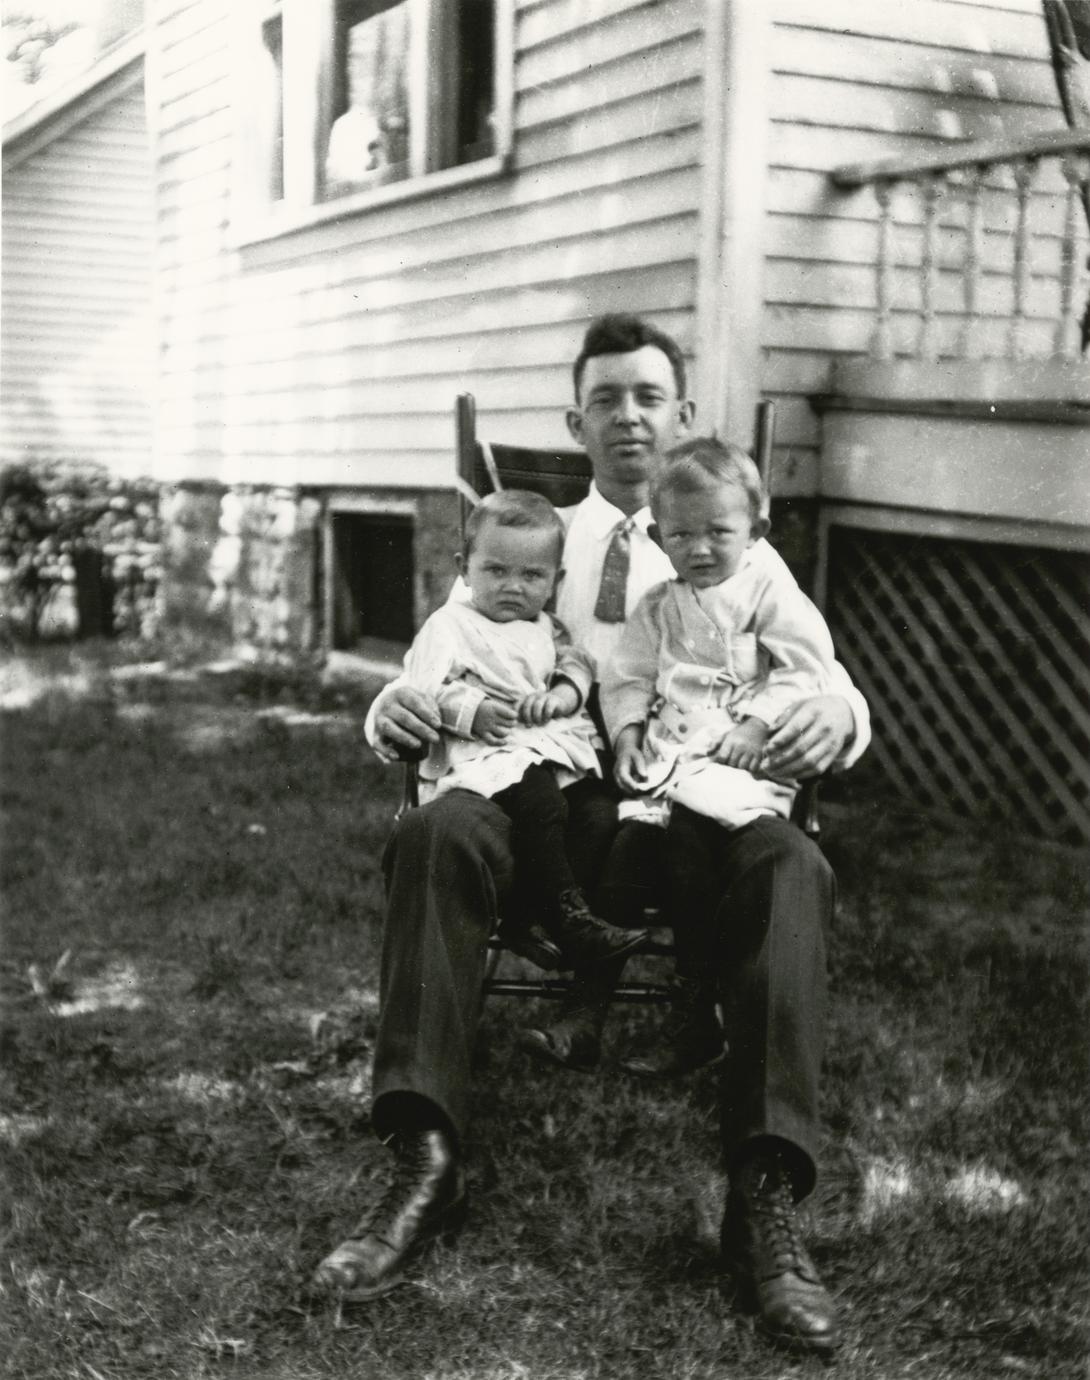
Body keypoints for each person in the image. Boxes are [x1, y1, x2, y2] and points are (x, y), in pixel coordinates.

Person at [312, 314, 869, 1357]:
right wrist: (390, 704)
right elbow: (440, 653)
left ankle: (762, 1196)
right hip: (542, 782)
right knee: (435, 833)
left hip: (692, 790)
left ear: (682, 415)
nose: (628, 417)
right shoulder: (527, 539)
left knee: (791, 864)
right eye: (605, 399)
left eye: (648, 396)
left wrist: (838, 716)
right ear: (576, 423)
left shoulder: (729, 543)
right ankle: (425, 1160)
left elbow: (824, 676)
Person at [600, 436, 841, 1085]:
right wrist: (626, 736)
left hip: (743, 765)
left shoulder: (769, 593)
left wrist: (759, 723)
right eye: (681, 535)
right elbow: (626, 677)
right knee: (636, 848)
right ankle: (595, 999)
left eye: (718, 532)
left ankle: (694, 1005)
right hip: (672, 760)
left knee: (687, 841)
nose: (700, 549)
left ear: (755, 530)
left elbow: (809, 668)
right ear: (658, 537)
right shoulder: (659, 605)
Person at [398, 485, 648, 972]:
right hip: (490, 752)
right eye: (496, 570)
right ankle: (568, 918)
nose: (513, 586)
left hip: (546, 749)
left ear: (556, 581)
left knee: (598, 813)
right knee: (542, 801)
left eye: (531, 575)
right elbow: (422, 687)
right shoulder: (451, 626)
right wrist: (471, 709)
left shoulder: (548, 628)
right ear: (463, 568)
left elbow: (576, 664)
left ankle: (528, 916)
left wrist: (563, 695)